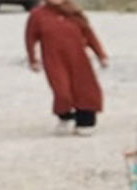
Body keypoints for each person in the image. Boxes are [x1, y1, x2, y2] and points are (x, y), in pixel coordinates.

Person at [25, 0, 107, 136]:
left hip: (79, 59)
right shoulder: (38, 15)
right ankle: (65, 116)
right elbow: (30, 38)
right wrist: (33, 59)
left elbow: (90, 35)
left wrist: (101, 55)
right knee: (62, 91)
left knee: (85, 90)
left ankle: (85, 121)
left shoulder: (74, 13)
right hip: (54, 61)